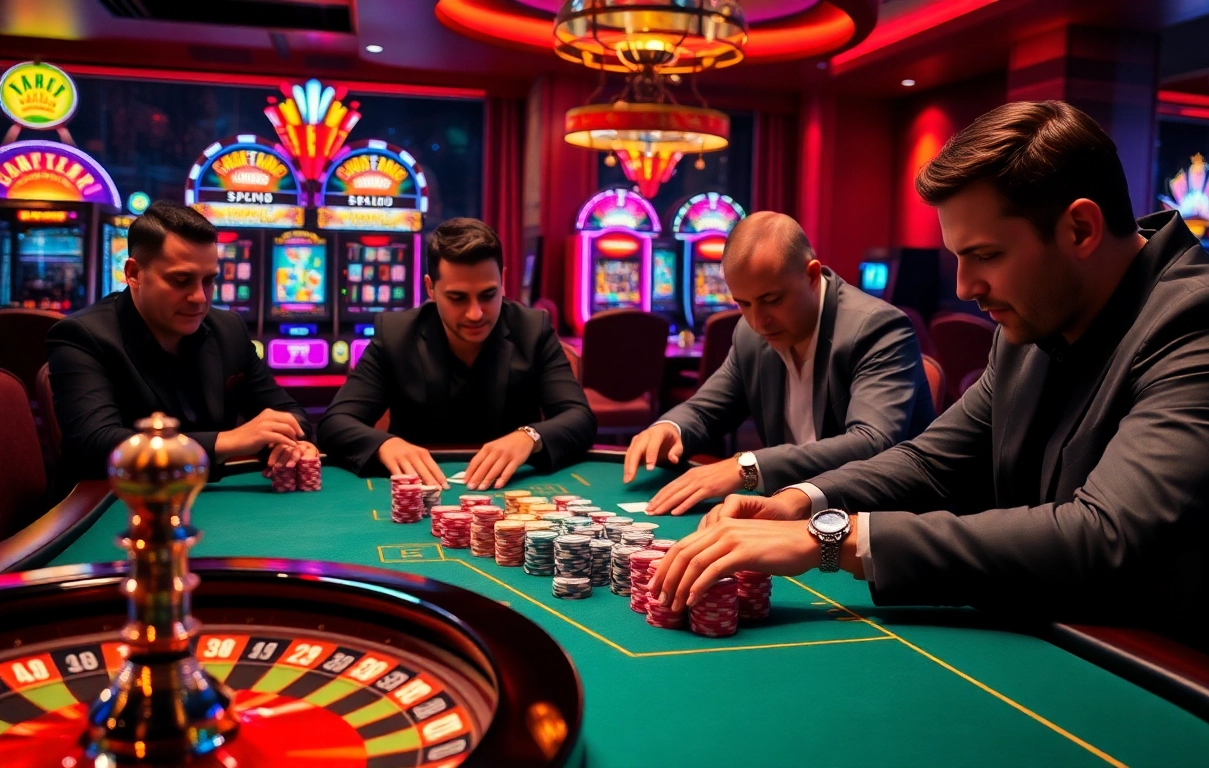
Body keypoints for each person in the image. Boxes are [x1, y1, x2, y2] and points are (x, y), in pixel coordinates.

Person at [648, 101, 1209, 718]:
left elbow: (1099, 537)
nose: (964, 285)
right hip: (1076, 648)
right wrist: (800, 502)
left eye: (985, 255)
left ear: (1079, 229)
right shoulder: (1037, 325)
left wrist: (831, 539)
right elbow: (933, 459)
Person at [623, 212, 935, 516]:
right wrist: (669, 428)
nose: (759, 322)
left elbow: (872, 442)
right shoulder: (750, 334)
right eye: (743, 303)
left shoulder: (877, 327)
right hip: (792, 513)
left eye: (771, 300)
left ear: (812, 275)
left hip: (875, 524)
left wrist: (747, 467)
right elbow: (706, 411)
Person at [47, 201, 316, 492]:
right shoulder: (82, 335)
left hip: (206, 504)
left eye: (209, 281)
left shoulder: (228, 329)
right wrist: (228, 440)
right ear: (134, 273)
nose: (199, 297)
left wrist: (293, 443)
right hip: (107, 508)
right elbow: (96, 444)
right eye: (181, 280)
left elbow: (287, 411)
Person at [318, 218, 595, 489]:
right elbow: (335, 423)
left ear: (504, 281)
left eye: (488, 294)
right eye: (458, 297)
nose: (475, 313)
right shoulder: (395, 335)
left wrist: (529, 437)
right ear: (431, 288)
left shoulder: (533, 330)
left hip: (508, 492)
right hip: (420, 491)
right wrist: (385, 444)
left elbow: (579, 417)